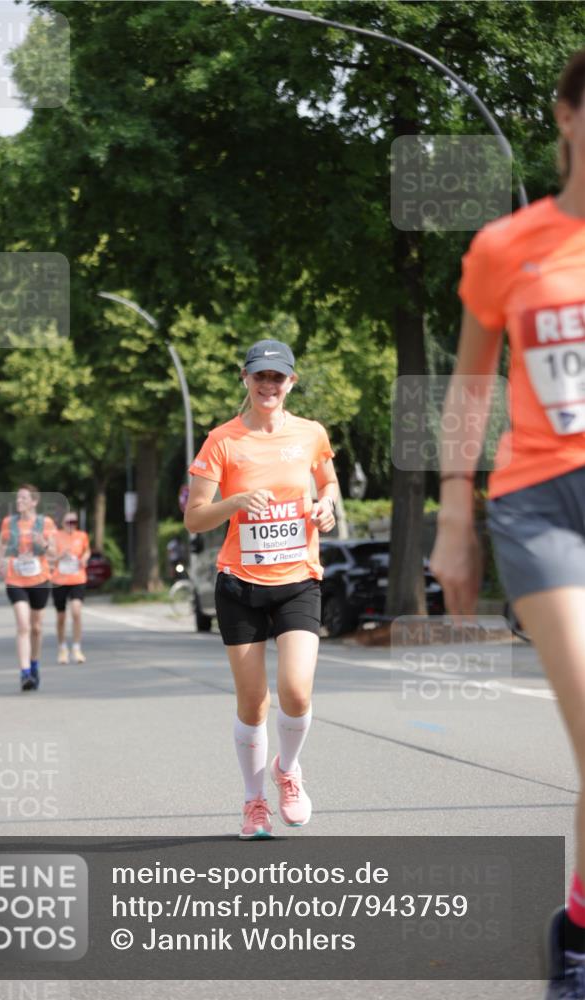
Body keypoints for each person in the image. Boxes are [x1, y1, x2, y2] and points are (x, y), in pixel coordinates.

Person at [429, 48, 585, 999]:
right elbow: (468, 385)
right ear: (567, 113)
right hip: (539, 502)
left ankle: (574, 925)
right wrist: (454, 515)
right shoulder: (505, 247)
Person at [184, 339, 338, 839]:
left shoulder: (311, 434)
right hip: (240, 585)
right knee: (253, 703)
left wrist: (327, 507)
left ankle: (287, 771)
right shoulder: (222, 440)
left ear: (291, 382)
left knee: (296, 690)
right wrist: (235, 503)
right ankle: (254, 803)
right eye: (260, 377)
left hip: (298, 581)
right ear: (245, 380)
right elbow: (194, 519)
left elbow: (329, 483)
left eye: (278, 377)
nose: (268, 385)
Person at [0, 485, 56, 691]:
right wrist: (1, 562)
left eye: (23, 498)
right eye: (18, 498)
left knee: (37, 628)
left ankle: (34, 664)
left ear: (34, 501)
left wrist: (45, 544)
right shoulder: (9, 523)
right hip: (15, 579)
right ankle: (24, 674)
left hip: (39, 578)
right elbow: (2, 543)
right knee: (23, 626)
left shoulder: (45, 523)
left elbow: (55, 552)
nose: (19, 501)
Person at [51, 512, 91, 664]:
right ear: (62, 523)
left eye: (74, 522)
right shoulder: (55, 536)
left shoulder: (82, 536)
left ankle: (76, 647)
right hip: (59, 579)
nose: (71, 524)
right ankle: (62, 648)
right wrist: (60, 556)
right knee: (61, 617)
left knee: (76, 611)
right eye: (68, 522)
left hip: (77, 578)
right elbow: (49, 557)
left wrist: (84, 559)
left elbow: (86, 551)